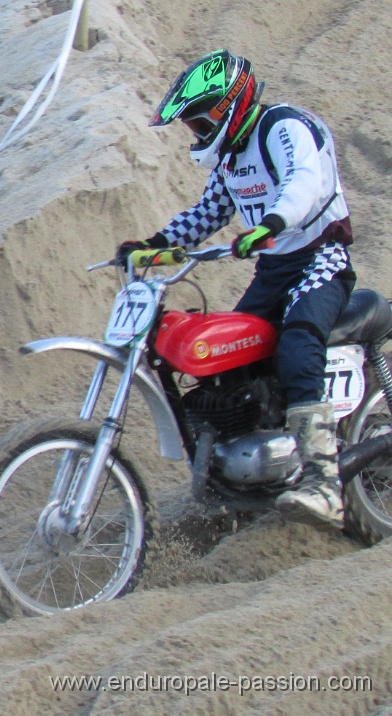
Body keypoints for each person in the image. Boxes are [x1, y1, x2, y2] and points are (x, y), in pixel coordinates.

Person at [118, 50, 355, 527]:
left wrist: (269, 223)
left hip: (321, 256)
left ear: (228, 108)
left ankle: (325, 483)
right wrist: (154, 244)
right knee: (232, 358)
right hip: (273, 269)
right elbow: (207, 213)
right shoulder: (231, 159)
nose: (196, 133)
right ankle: (248, 472)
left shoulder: (282, 127)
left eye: (199, 122)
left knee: (298, 342)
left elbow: (306, 180)